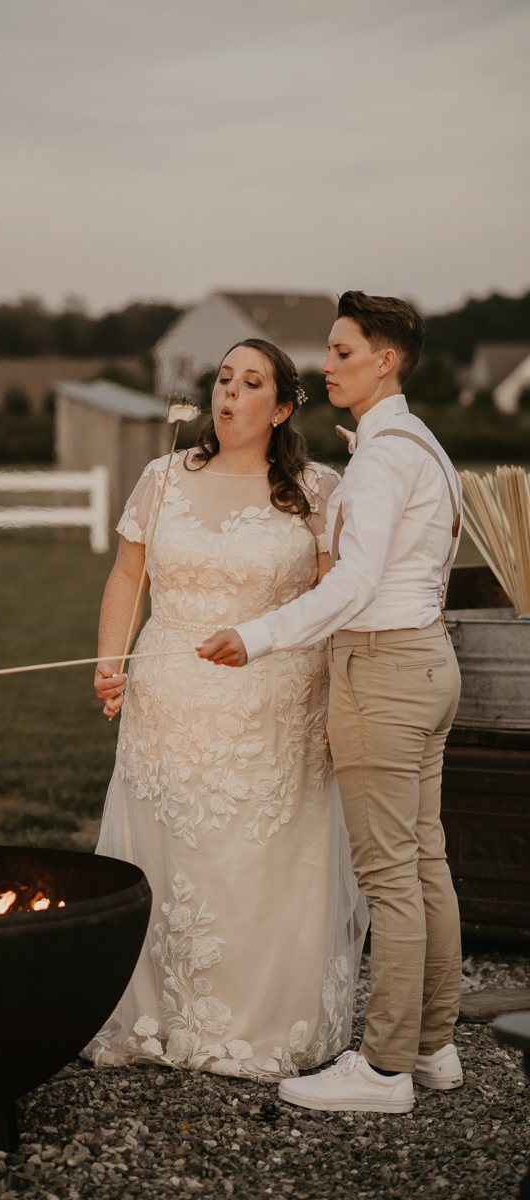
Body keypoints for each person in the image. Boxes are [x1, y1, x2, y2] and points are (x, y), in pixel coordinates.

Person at [199, 292, 464, 1114]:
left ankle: (382, 1070)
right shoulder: (419, 442)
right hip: (427, 662)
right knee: (423, 864)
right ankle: (433, 1047)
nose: (327, 363)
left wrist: (261, 633)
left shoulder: (386, 456)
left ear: (385, 359)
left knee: (389, 875)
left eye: (343, 352)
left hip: (384, 669)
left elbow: (354, 581)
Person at [82, 338, 368, 1082]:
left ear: (279, 409)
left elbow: (333, 606)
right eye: (222, 379)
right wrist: (110, 661)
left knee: (259, 860)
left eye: (250, 383)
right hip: (169, 696)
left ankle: (259, 1021)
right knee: (170, 847)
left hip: (276, 701)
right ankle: (158, 1017)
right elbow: (126, 576)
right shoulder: (162, 475)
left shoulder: (316, 489)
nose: (228, 393)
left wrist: (340, 700)